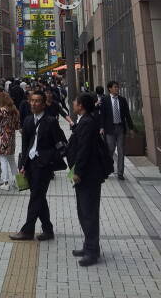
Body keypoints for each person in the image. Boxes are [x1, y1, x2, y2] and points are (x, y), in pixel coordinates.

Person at [9, 91, 67, 242]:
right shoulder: (28, 120)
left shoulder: (50, 121)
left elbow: (61, 143)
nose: (34, 104)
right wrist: (22, 165)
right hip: (31, 164)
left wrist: (51, 158)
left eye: (37, 101)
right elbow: (25, 144)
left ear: (43, 104)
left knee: (36, 197)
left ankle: (27, 231)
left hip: (44, 165)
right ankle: (48, 230)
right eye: (32, 101)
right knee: (39, 197)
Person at [67, 92, 110, 267]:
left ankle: (92, 251)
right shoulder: (85, 120)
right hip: (86, 174)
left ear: (81, 106)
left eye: (75, 102)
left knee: (89, 213)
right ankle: (88, 246)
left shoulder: (87, 122)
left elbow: (84, 150)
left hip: (88, 175)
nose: (73, 104)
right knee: (83, 211)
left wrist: (78, 172)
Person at [99, 80, 133, 180]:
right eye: (115, 87)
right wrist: (101, 127)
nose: (117, 89)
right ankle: (108, 168)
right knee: (110, 149)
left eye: (117, 87)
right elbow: (102, 115)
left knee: (121, 150)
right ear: (110, 89)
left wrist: (130, 128)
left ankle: (120, 173)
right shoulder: (105, 100)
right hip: (109, 128)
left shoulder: (122, 100)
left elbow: (127, 115)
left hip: (120, 128)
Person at [0, 91, 20, 190]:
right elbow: (17, 126)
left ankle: (6, 182)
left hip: (2, 138)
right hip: (11, 138)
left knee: (3, 160)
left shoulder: (0, 110)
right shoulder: (14, 110)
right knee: (12, 161)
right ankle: (17, 182)